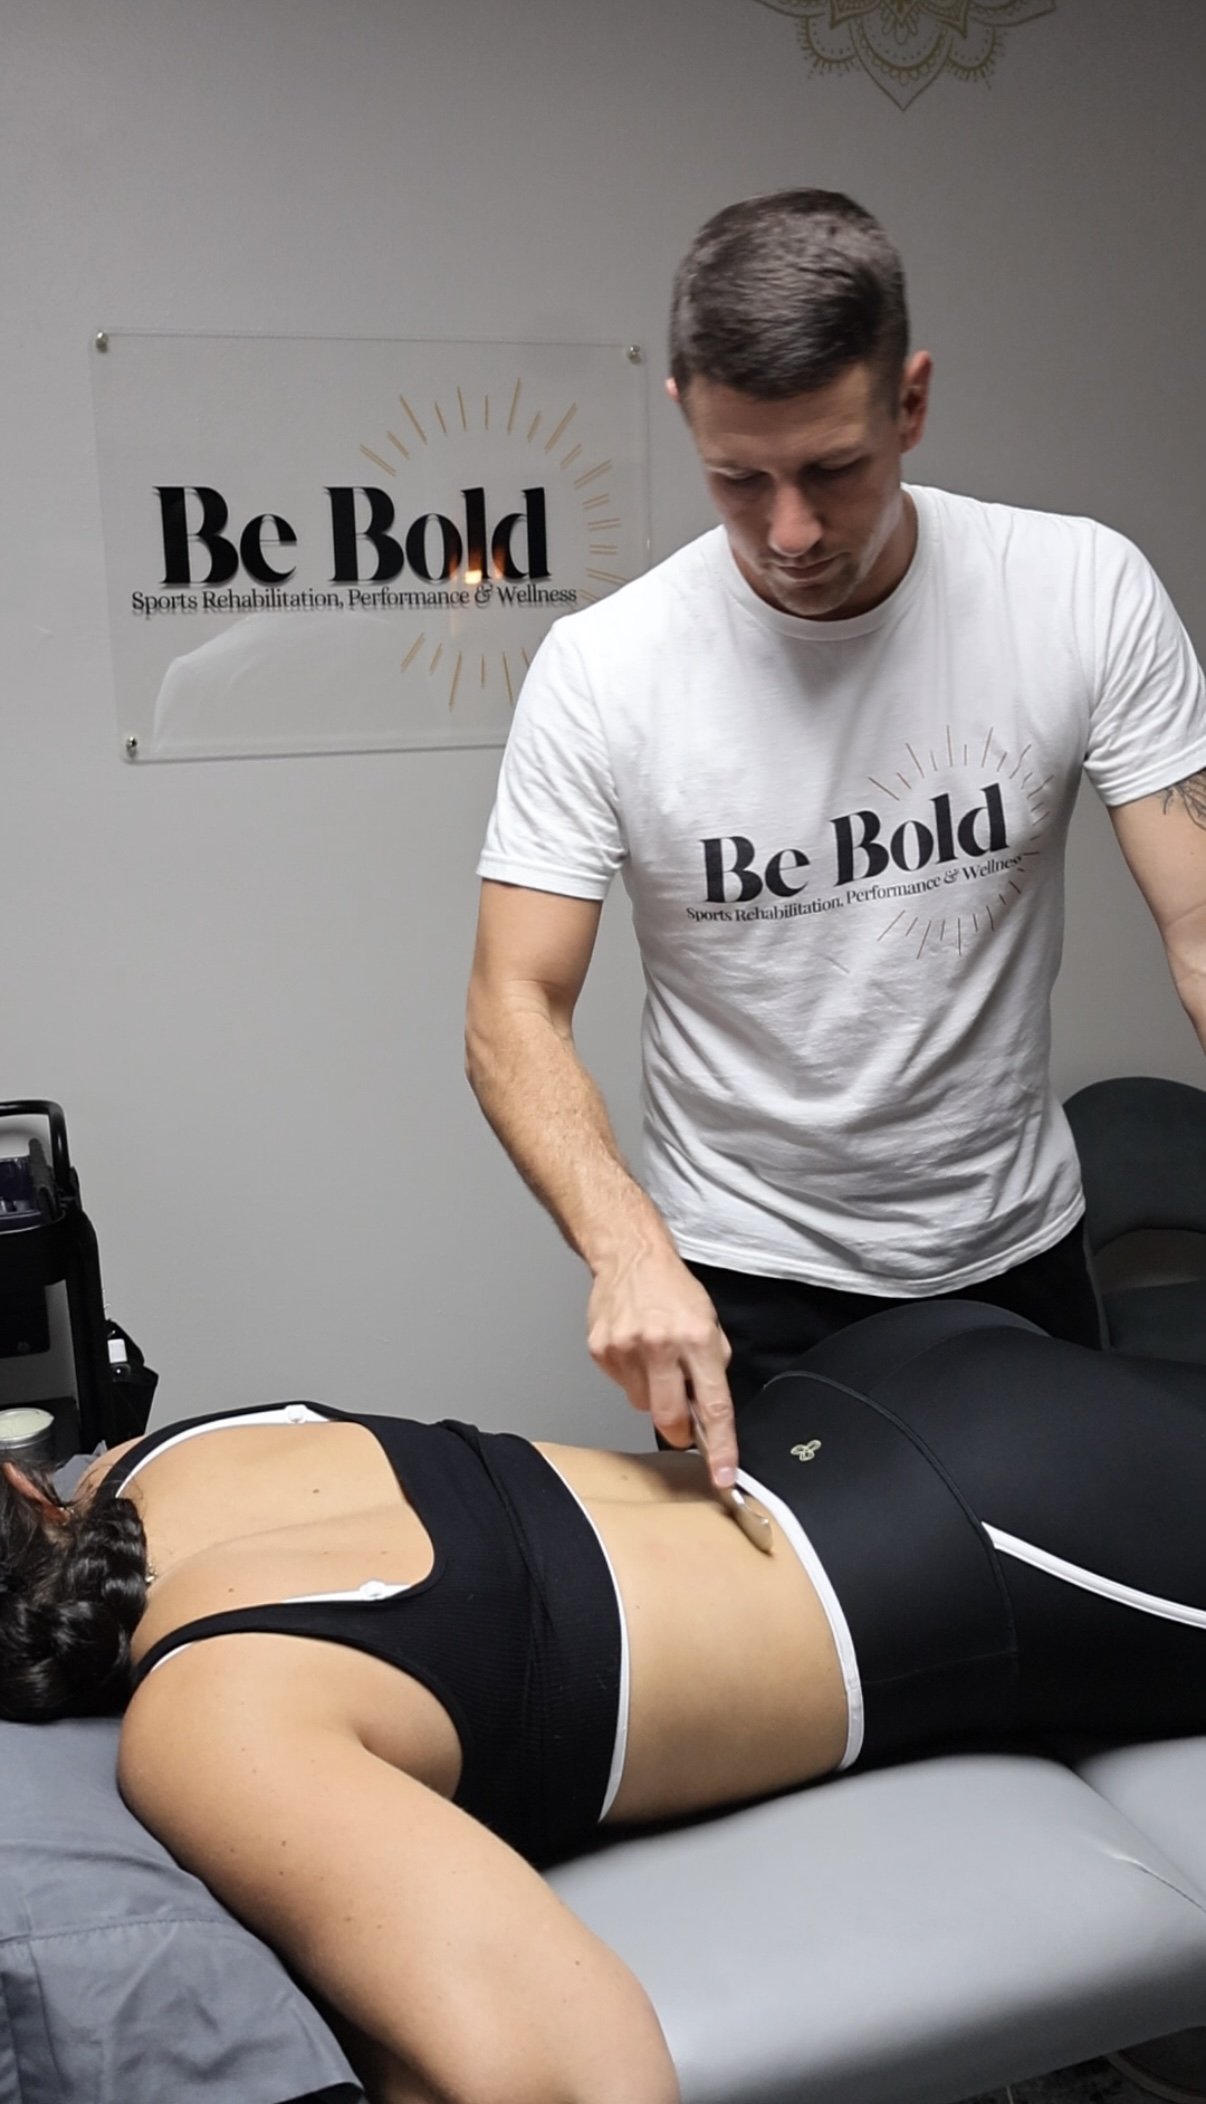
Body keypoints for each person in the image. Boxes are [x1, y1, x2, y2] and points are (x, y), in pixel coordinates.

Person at [6, 1300, 1206, 2104]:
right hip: (879, 1383)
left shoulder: (216, 1720)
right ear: (28, 1479)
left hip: (1024, 1523)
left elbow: (592, 2078)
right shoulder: (154, 1457)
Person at [466, 188, 1206, 1486]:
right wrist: (628, 1246)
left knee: (1064, 1661)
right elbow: (509, 1003)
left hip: (1017, 1252)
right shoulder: (605, 669)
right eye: (737, 479)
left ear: (908, 402)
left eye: (831, 469)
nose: (789, 531)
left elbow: (1199, 928)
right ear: (684, 408)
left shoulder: (1079, 591)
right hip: (742, 1280)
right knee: (796, 1681)